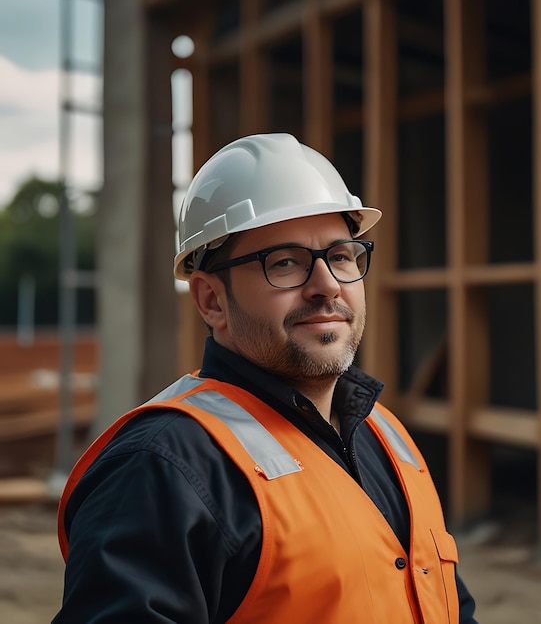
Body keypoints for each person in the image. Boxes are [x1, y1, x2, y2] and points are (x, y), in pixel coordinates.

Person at [53, 133, 478, 623]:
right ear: (212, 300)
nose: (326, 286)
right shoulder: (163, 468)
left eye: (341, 256)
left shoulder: (385, 434)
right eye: (285, 263)